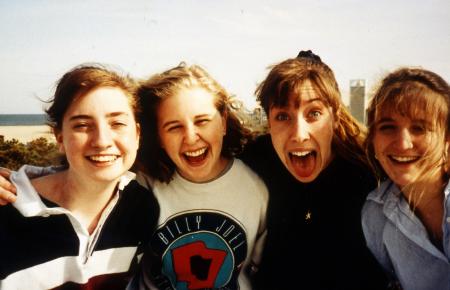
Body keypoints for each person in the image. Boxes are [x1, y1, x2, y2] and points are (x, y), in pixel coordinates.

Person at [0, 64, 159, 289]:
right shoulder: (6, 210)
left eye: (117, 123)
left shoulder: (142, 206)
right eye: (83, 125)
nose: (102, 140)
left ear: (137, 134)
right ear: (60, 137)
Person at [239, 50, 388, 289]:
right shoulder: (256, 160)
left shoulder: (369, 174)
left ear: (336, 118)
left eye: (314, 114)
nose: (299, 134)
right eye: (283, 116)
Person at [128, 63, 268, 290]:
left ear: (223, 121)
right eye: (174, 127)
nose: (191, 137)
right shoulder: (143, 185)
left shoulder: (255, 187)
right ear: (159, 137)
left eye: (202, 121)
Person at [362, 68, 450, 290]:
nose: (402, 144)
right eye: (388, 127)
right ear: (373, 140)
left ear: (447, 140)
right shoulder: (375, 214)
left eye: (419, 128)